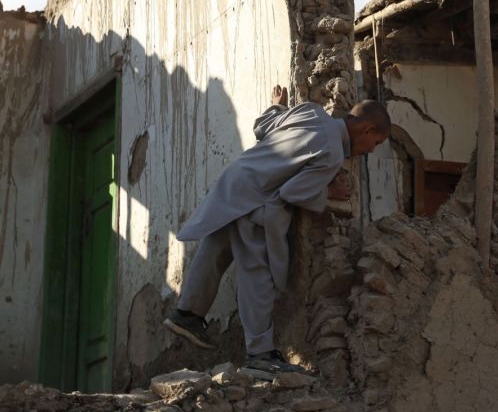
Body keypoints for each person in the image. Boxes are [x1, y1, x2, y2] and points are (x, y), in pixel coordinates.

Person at [163, 84, 390, 378]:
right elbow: (294, 192)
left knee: (216, 247)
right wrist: (329, 189)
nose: (371, 150)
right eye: (376, 143)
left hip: (236, 182)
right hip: (257, 201)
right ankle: (260, 355)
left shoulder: (311, 111)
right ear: (367, 130)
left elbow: (264, 127)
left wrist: (277, 106)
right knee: (259, 275)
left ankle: (187, 314)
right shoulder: (332, 152)